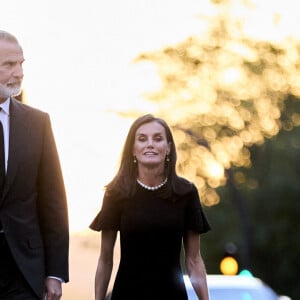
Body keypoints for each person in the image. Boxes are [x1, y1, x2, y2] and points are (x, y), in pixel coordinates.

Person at [90, 114, 211, 300]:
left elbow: (194, 260)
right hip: (127, 294)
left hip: (172, 295)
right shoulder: (116, 194)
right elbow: (105, 259)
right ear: (133, 149)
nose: (150, 144)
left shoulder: (186, 193)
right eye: (142, 139)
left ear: (168, 148)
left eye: (158, 138)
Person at [0, 30, 69, 299]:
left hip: (25, 269)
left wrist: (55, 272)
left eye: (21, 64)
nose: (19, 73)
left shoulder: (38, 123)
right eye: (9, 65)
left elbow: (53, 200)